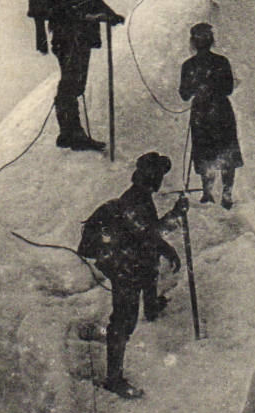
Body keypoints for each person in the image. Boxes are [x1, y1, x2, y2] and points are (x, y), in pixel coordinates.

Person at [78, 152, 186, 399]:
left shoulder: (141, 196)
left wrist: (166, 249)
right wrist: (177, 214)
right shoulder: (134, 201)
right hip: (122, 265)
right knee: (124, 320)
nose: (160, 181)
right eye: (158, 176)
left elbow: (147, 235)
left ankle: (149, 308)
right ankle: (113, 378)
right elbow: (150, 232)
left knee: (145, 280)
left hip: (130, 260)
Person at [28, 0, 123, 151]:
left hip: (81, 37)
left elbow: (97, 2)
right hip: (68, 37)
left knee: (76, 83)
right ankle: (70, 133)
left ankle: (71, 132)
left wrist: (111, 15)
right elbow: (61, 9)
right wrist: (90, 17)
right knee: (71, 83)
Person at [179, 24, 243, 208]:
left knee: (204, 151)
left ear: (193, 42)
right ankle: (227, 194)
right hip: (221, 110)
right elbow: (229, 89)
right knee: (226, 151)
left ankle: (207, 192)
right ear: (211, 41)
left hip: (201, 113)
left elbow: (184, 94)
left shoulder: (188, 65)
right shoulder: (222, 62)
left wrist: (198, 87)